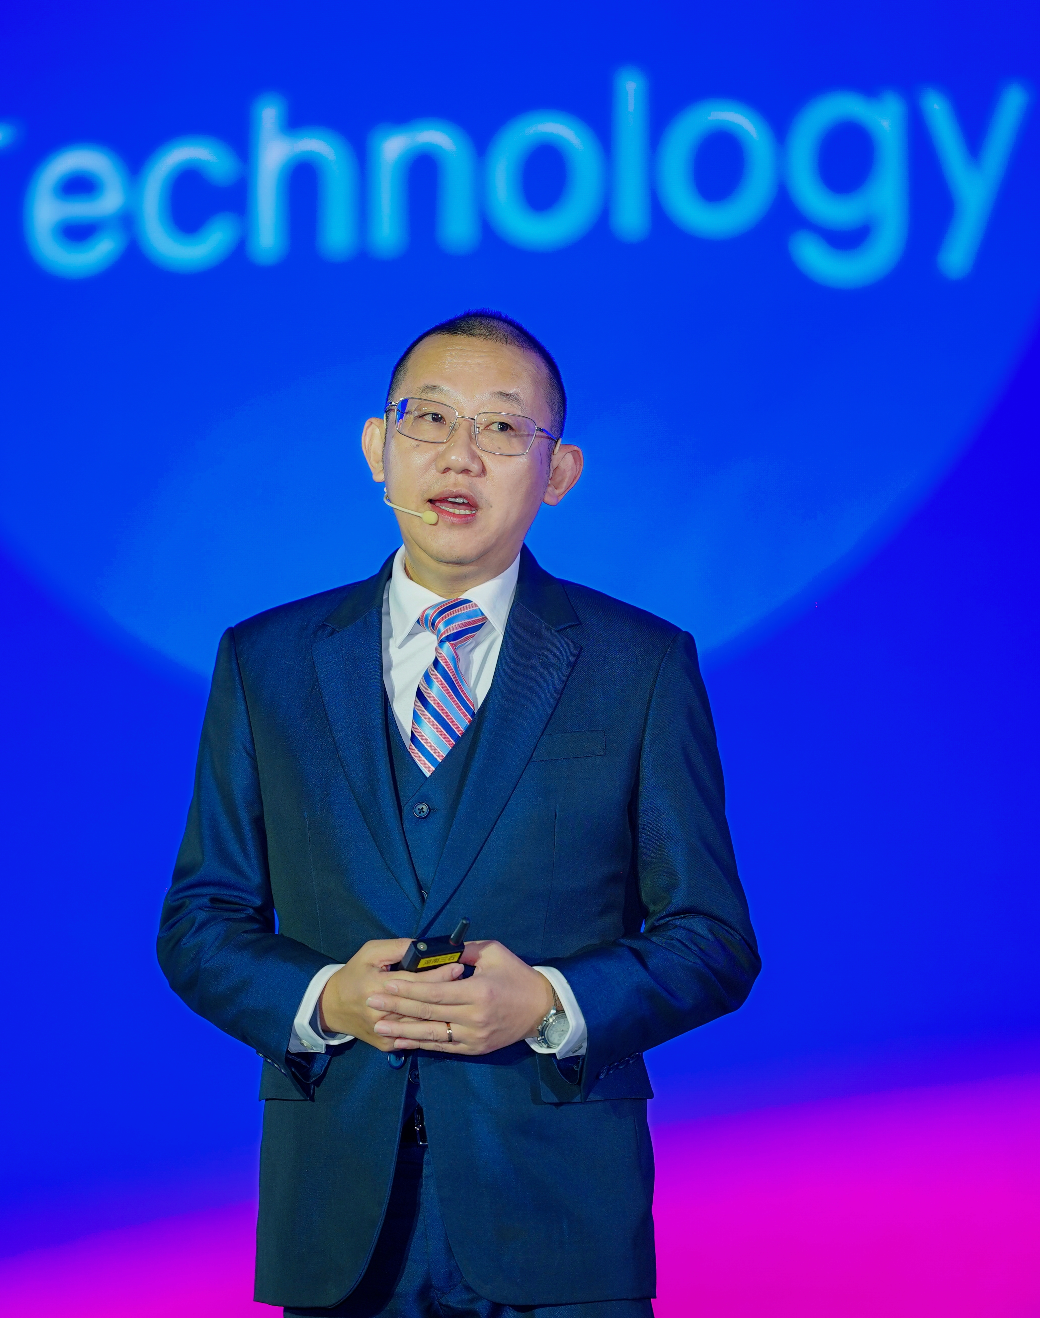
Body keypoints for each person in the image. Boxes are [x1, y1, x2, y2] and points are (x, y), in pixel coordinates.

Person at [157, 310, 759, 1317]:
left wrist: (551, 1004)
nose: (459, 455)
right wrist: (327, 1000)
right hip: (336, 1219)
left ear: (558, 472)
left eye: (502, 427)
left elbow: (713, 940)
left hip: (561, 1212)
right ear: (377, 448)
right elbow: (199, 921)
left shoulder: (641, 664)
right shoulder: (267, 662)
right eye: (429, 418)